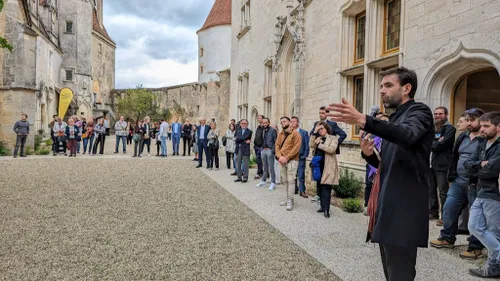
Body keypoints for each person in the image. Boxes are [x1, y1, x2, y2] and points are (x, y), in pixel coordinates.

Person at [328, 67, 434, 280]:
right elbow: (390, 163)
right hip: (389, 204)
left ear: (407, 88)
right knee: (390, 270)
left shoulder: (419, 112)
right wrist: (370, 156)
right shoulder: (395, 119)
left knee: (400, 273)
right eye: (380, 86)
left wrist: (363, 120)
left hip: (404, 207)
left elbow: (407, 135)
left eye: (388, 85)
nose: (382, 91)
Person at [430, 108, 485, 260]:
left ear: (481, 120)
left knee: (476, 216)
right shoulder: (463, 137)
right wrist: (452, 175)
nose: (468, 122)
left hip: (476, 184)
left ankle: (475, 247)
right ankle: (447, 238)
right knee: (449, 208)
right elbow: (455, 156)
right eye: (467, 118)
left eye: (472, 119)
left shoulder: (485, 139)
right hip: (458, 181)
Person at [465, 111, 500, 278]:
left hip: (494, 194)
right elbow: (467, 165)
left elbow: (490, 171)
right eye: (482, 125)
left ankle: (493, 268)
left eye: (487, 126)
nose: (482, 129)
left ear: (498, 127)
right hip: (481, 191)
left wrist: (477, 167)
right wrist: (480, 164)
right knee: (474, 226)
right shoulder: (481, 143)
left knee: (494, 232)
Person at [310, 106, 347, 203]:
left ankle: (325, 200)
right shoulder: (316, 124)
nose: (321, 114)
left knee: (327, 177)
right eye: (320, 113)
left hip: (328, 154)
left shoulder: (332, 124)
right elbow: (312, 136)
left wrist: (334, 144)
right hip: (318, 153)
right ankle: (318, 195)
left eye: (323, 113)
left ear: (327, 114)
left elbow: (343, 134)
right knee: (318, 174)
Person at [429, 107, 456, 225]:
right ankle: (432, 212)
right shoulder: (432, 128)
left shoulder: (450, 128)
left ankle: (445, 217)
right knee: (430, 190)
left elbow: (442, 145)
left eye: (440, 114)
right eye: (435, 114)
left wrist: (434, 143)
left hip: (442, 165)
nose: (437, 116)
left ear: (446, 115)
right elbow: (429, 143)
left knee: (443, 191)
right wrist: (435, 142)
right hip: (430, 163)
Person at [309, 121, 339, 218]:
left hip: (328, 166)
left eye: (322, 128)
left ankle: (327, 209)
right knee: (319, 187)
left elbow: (331, 149)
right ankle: (322, 206)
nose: (320, 130)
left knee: (326, 188)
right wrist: (314, 133)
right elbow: (311, 144)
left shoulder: (333, 138)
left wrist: (319, 145)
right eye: (319, 129)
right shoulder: (317, 138)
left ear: (326, 128)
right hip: (318, 166)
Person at [276, 117, 301, 211]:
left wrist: (287, 157)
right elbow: (277, 145)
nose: (282, 123)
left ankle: (290, 200)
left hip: (292, 160)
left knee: (291, 181)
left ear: (290, 122)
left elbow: (296, 148)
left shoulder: (295, 134)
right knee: (285, 180)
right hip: (282, 160)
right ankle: (287, 199)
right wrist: (279, 156)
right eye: (281, 122)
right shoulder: (280, 134)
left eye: (284, 121)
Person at [255, 118, 277, 190]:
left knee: (271, 168)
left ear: (269, 123)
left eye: (266, 123)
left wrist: (273, 151)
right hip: (263, 150)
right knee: (264, 167)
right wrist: (261, 149)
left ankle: (273, 183)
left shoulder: (273, 130)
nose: (264, 124)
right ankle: (263, 181)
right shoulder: (263, 130)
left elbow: (275, 141)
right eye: (263, 123)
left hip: (270, 150)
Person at [291, 116, 310, 198]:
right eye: (291, 121)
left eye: (294, 121)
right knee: (292, 174)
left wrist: (305, 155)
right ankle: (294, 189)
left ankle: (302, 191)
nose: (292, 123)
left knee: (301, 174)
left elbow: (307, 145)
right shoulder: (289, 132)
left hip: (301, 157)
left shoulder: (304, 133)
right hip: (291, 157)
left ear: (297, 122)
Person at [253, 115, 265, 179]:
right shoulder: (258, 127)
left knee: (258, 159)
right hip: (256, 146)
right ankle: (261, 172)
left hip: (261, 146)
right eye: (258, 118)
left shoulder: (264, 127)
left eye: (259, 118)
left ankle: (259, 173)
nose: (258, 119)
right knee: (258, 160)